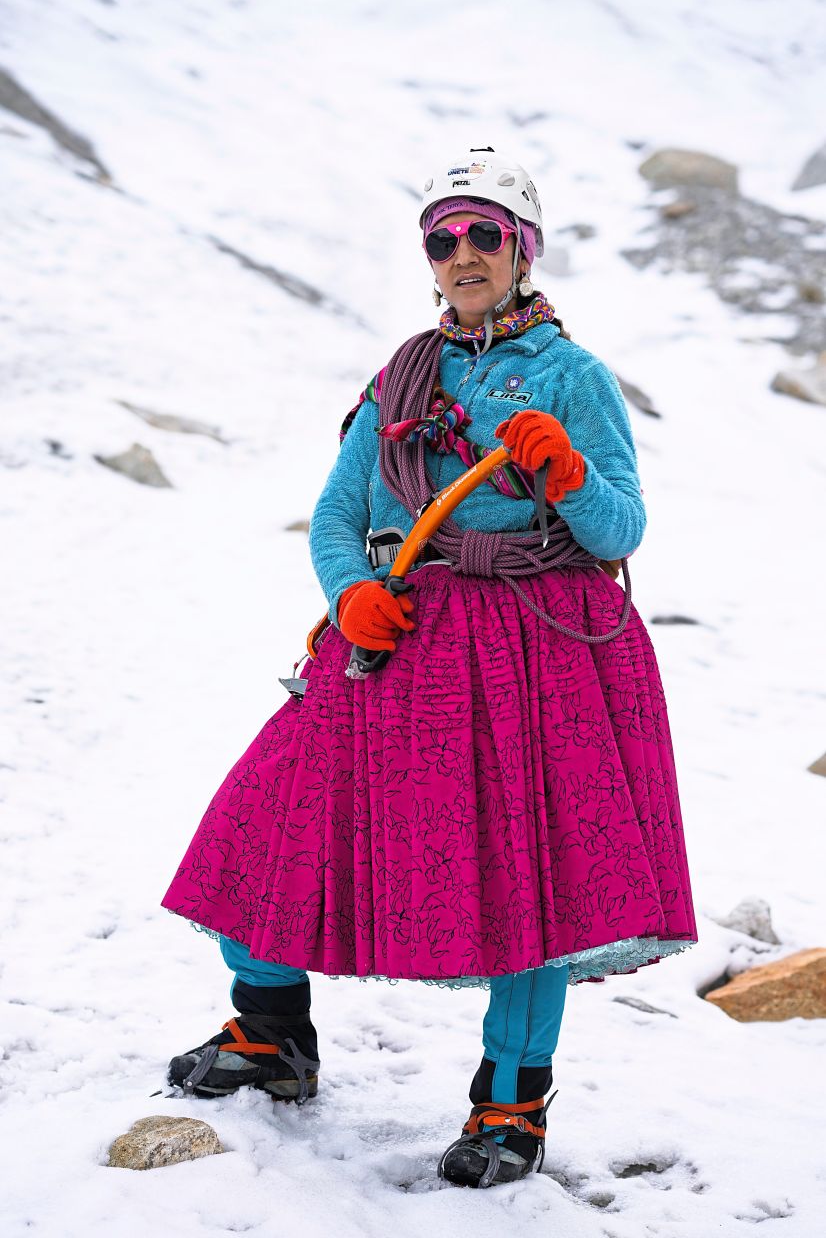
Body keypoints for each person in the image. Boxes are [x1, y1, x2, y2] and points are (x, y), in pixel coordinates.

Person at [162, 148, 697, 1189]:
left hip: (541, 643)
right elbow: (336, 514)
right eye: (443, 237)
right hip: (399, 635)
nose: (462, 253)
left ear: (522, 249)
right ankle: (271, 1032)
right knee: (267, 824)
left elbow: (620, 525)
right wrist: (344, 594)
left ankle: (510, 1100)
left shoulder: (573, 378)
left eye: (484, 234)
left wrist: (571, 474)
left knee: (528, 881)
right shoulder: (404, 372)